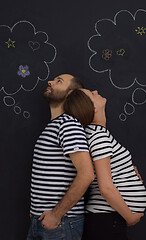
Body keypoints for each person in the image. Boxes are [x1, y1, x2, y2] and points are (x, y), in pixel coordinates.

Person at [64, 89, 146, 240]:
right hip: (108, 222)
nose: (96, 91)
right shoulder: (98, 136)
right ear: (93, 108)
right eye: (92, 94)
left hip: (107, 220)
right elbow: (106, 187)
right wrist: (130, 217)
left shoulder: (94, 133)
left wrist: (128, 169)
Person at [27, 74, 95, 240]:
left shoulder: (68, 124)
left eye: (58, 81)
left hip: (61, 223)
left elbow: (86, 175)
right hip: (44, 221)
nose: (49, 82)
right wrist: (36, 209)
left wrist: (56, 215)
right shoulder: (56, 125)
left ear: (70, 93)